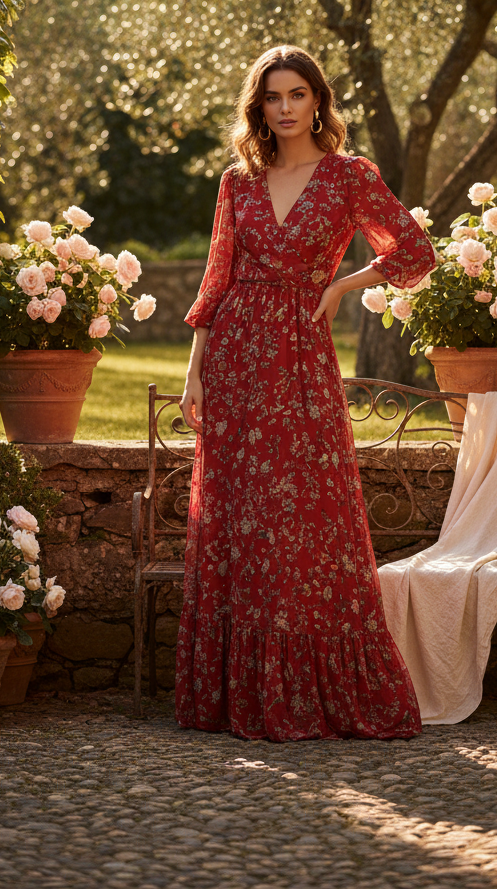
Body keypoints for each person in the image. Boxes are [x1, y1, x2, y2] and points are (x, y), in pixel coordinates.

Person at [176, 44, 436, 741]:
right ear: (258, 107)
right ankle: (238, 694)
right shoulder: (239, 182)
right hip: (234, 360)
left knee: (308, 522)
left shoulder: (348, 177)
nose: (285, 108)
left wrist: (347, 283)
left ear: (318, 100)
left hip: (302, 361)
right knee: (241, 519)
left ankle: (311, 690)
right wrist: (195, 372)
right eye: (272, 97)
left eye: (297, 94)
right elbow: (215, 280)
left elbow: (414, 252)